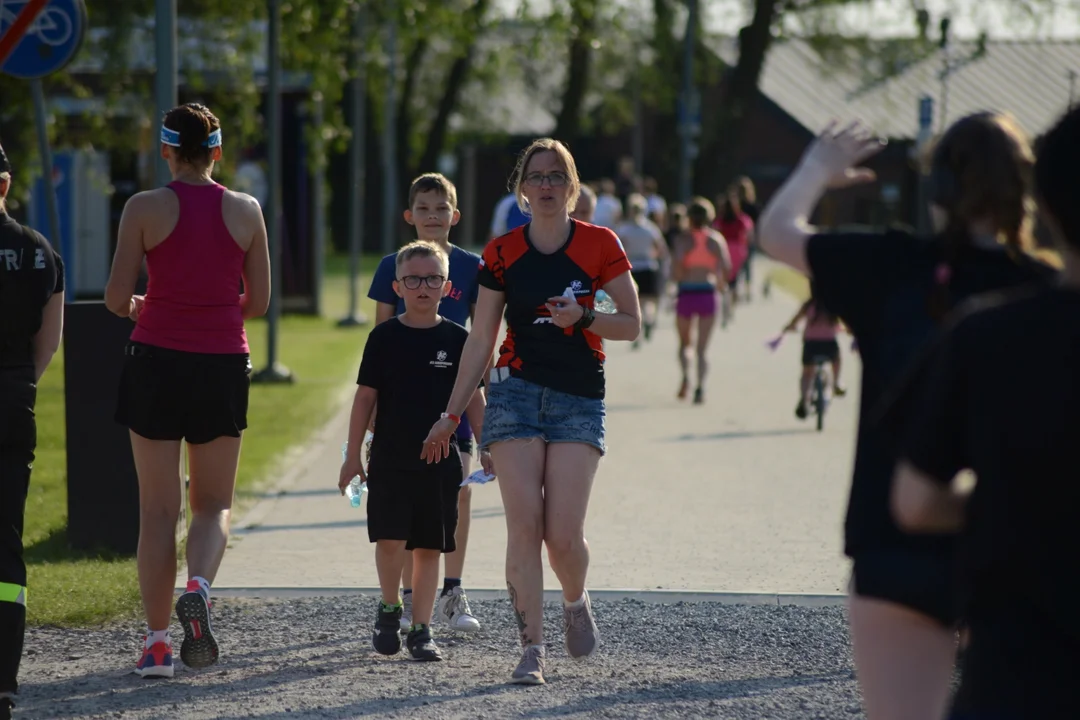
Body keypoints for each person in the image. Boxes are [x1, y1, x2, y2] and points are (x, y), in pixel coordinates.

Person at [757, 113, 1057, 720]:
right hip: (1010, 545)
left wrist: (817, 167)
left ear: (938, 190)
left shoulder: (888, 265)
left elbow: (778, 232)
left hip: (892, 542)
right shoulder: (1045, 289)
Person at [420, 138, 640, 685]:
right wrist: (452, 413)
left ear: (572, 187)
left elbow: (632, 322)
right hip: (514, 394)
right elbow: (480, 339)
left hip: (578, 398)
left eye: (557, 176)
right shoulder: (501, 252)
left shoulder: (600, 244)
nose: (546, 186)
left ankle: (575, 597)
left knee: (562, 536)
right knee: (524, 525)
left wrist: (584, 317)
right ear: (523, 188)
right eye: (537, 176)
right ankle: (531, 649)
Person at [889, 105, 1080, 720]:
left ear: (1046, 204)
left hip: (1021, 677)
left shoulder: (988, 337)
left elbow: (915, 501)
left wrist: (1016, 497)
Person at [105, 103, 271, 677]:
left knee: (157, 512)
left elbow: (113, 296)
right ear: (219, 152)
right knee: (214, 503)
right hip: (223, 361)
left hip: (154, 359)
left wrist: (141, 307)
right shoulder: (247, 210)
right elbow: (259, 302)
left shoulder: (144, 208)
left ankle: (156, 646)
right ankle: (198, 586)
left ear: (166, 150)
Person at [341, 241, 491, 662]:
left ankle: (422, 630)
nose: (422, 287)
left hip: (440, 461)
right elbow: (364, 399)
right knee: (391, 540)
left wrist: (488, 446)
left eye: (432, 279)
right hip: (389, 457)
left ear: (448, 287)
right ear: (398, 285)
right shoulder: (383, 337)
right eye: (413, 279)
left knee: (429, 547)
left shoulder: (461, 340)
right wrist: (351, 456)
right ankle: (390, 607)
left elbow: (475, 400)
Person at [367, 173, 483, 632]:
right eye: (424, 208)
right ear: (409, 215)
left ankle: (452, 590)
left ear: (455, 216)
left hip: (456, 396)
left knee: (459, 489)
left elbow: (483, 334)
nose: (433, 216)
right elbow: (378, 338)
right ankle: (410, 596)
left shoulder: (472, 268)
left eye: (441, 209)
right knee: (407, 497)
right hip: (402, 405)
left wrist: (484, 399)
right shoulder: (391, 266)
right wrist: (374, 413)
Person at [0, 143, 64, 720]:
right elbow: (48, 341)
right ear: (6, 184)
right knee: (6, 544)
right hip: (12, 399)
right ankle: (4, 680)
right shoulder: (38, 251)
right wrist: (21, 383)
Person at [670, 197, 732, 404]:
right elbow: (726, 267)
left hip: (687, 292)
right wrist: (720, 282)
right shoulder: (716, 240)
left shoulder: (683, 240)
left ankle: (686, 376)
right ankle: (700, 387)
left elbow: (676, 272)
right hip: (707, 292)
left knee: (684, 344)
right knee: (702, 350)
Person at [780, 285, 847, 420]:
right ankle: (836, 382)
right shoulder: (834, 304)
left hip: (811, 346)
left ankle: (805, 399)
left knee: (807, 373)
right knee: (837, 359)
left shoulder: (809, 305)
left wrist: (789, 328)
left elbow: (795, 322)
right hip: (829, 346)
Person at [614, 193, 669, 345]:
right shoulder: (651, 228)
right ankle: (649, 320)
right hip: (648, 266)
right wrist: (654, 255)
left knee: (634, 302)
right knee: (646, 302)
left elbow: (619, 249)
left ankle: (637, 336)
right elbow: (662, 248)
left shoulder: (624, 229)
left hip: (632, 267)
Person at [713, 189, 755, 312]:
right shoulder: (742, 219)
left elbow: (715, 233)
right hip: (738, 249)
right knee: (736, 278)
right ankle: (732, 305)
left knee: (725, 276)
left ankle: (725, 299)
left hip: (725, 248)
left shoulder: (720, 220)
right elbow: (749, 234)